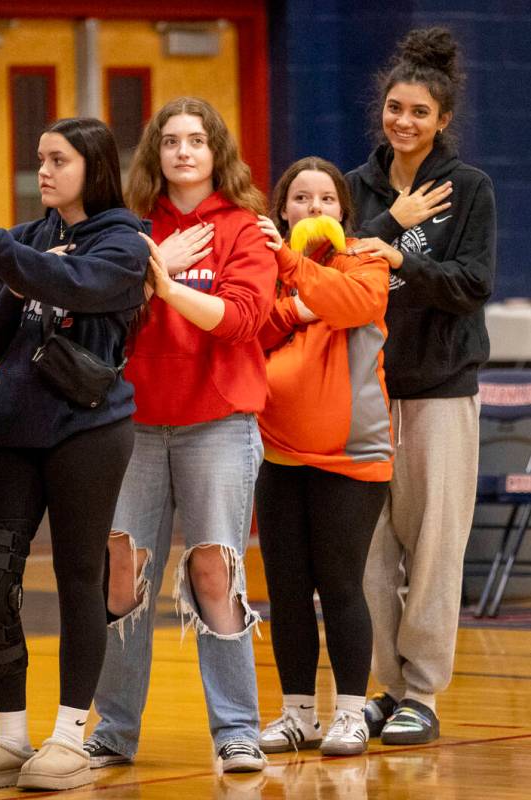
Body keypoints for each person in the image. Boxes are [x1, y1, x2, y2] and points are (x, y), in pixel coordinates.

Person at [0, 117, 148, 792]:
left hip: (87, 429)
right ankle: (9, 737)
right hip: (12, 428)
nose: (44, 171)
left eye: (57, 159)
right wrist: (17, 279)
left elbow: (80, 287)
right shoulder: (27, 241)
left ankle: (68, 738)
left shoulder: (124, 240)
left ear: (93, 164)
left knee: (79, 578)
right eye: (39, 159)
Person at [84, 97, 276, 775]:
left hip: (217, 423)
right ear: (154, 154)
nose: (184, 152)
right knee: (121, 574)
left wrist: (159, 284)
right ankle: (112, 730)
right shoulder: (130, 228)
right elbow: (95, 308)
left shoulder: (245, 229)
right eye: (171, 141)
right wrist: (146, 264)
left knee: (213, 570)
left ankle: (236, 730)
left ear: (215, 151)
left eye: (196, 140)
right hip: (133, 423)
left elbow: (240, 319)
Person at [346, 27, 496, 745]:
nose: (402, 122)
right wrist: (382, 232)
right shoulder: (355, 187)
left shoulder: (467, 189)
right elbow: (333, 269)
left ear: (440, 121)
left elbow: (470, 285)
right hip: (367, 388)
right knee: (371, 550)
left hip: (440, 389)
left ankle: (423, 692)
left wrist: (396, 261)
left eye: (417, 113)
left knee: (434, 545)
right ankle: (384, 685)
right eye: (393, 107)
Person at [253, 157, 392, 757]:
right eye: (302, 200)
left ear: (343, 211)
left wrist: (292, 266)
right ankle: (297, 714)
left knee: (340, 584)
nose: (314, 210)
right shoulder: (265, 270)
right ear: (283, 210)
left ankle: (352, 713)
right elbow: (247, 332)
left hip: (351, 460)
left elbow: (351, 306)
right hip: (279, 455)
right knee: (286, 589)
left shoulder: (367, 260)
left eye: (326, 200)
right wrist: (289, 304)